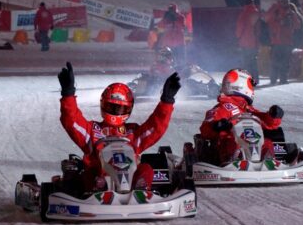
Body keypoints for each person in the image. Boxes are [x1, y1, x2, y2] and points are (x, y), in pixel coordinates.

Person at [58, 62, 181, 192]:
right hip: (99, 181)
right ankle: (100, 188)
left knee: (146, 168)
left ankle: (141, 188)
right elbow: (71, 121)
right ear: (103, 105)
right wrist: (68, 94)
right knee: (89, 173)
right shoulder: (92, 130)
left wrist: (167, 101)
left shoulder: (133, 132)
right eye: (112, 107)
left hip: (131, 180)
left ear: (129, 108)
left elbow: (156, 127)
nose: (116, 111)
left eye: (120, 108)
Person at [199, 69, 283, 166]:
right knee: (232, 142)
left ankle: (269, 164)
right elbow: (205, 129)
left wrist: (274, 116)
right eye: (251, 84)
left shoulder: (248, 109)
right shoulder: (222, 108)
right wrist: (217, 125)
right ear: (243, 85)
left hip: (253, 143)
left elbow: (269, 124)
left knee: (267, 142)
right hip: (227, 148)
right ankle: (233, 163)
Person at [265, 0, 302, 84]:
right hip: (277, 41)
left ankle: (282, 79)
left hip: (286, 41)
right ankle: (274, 79)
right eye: (282, 1)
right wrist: (278, 21)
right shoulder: (275, 10)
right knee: (276, 62)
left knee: (284, 62)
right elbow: (267, 20)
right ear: (280, 1)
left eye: (285, 1)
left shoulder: (290, 12)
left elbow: (298, 26)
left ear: (288, 2)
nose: (284, 3)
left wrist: (291, 19)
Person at [235, 0, 260, 82]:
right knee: (254, 61)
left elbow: (240, 28)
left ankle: (247, 79)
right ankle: (255, 78)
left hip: (245, 42)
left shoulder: (244, 13)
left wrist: (237, 38)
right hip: (255, 42)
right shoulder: (256, 13)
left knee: (246, 62)